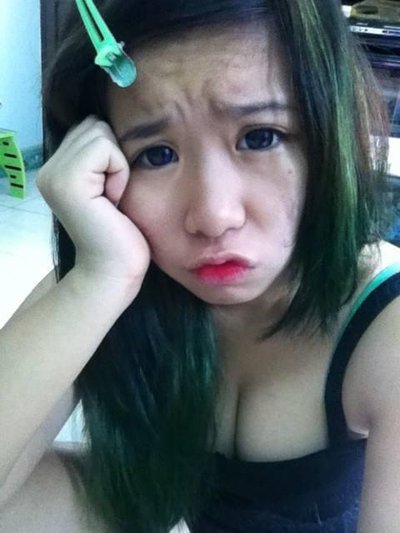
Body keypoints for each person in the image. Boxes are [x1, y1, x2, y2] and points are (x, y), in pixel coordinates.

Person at [1, 0, 400, 531]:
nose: (214, 216)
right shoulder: (116, 277)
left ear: (331, 134)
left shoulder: (386, 327)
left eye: (260, 137)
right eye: (156, 154)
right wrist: (99, 279)